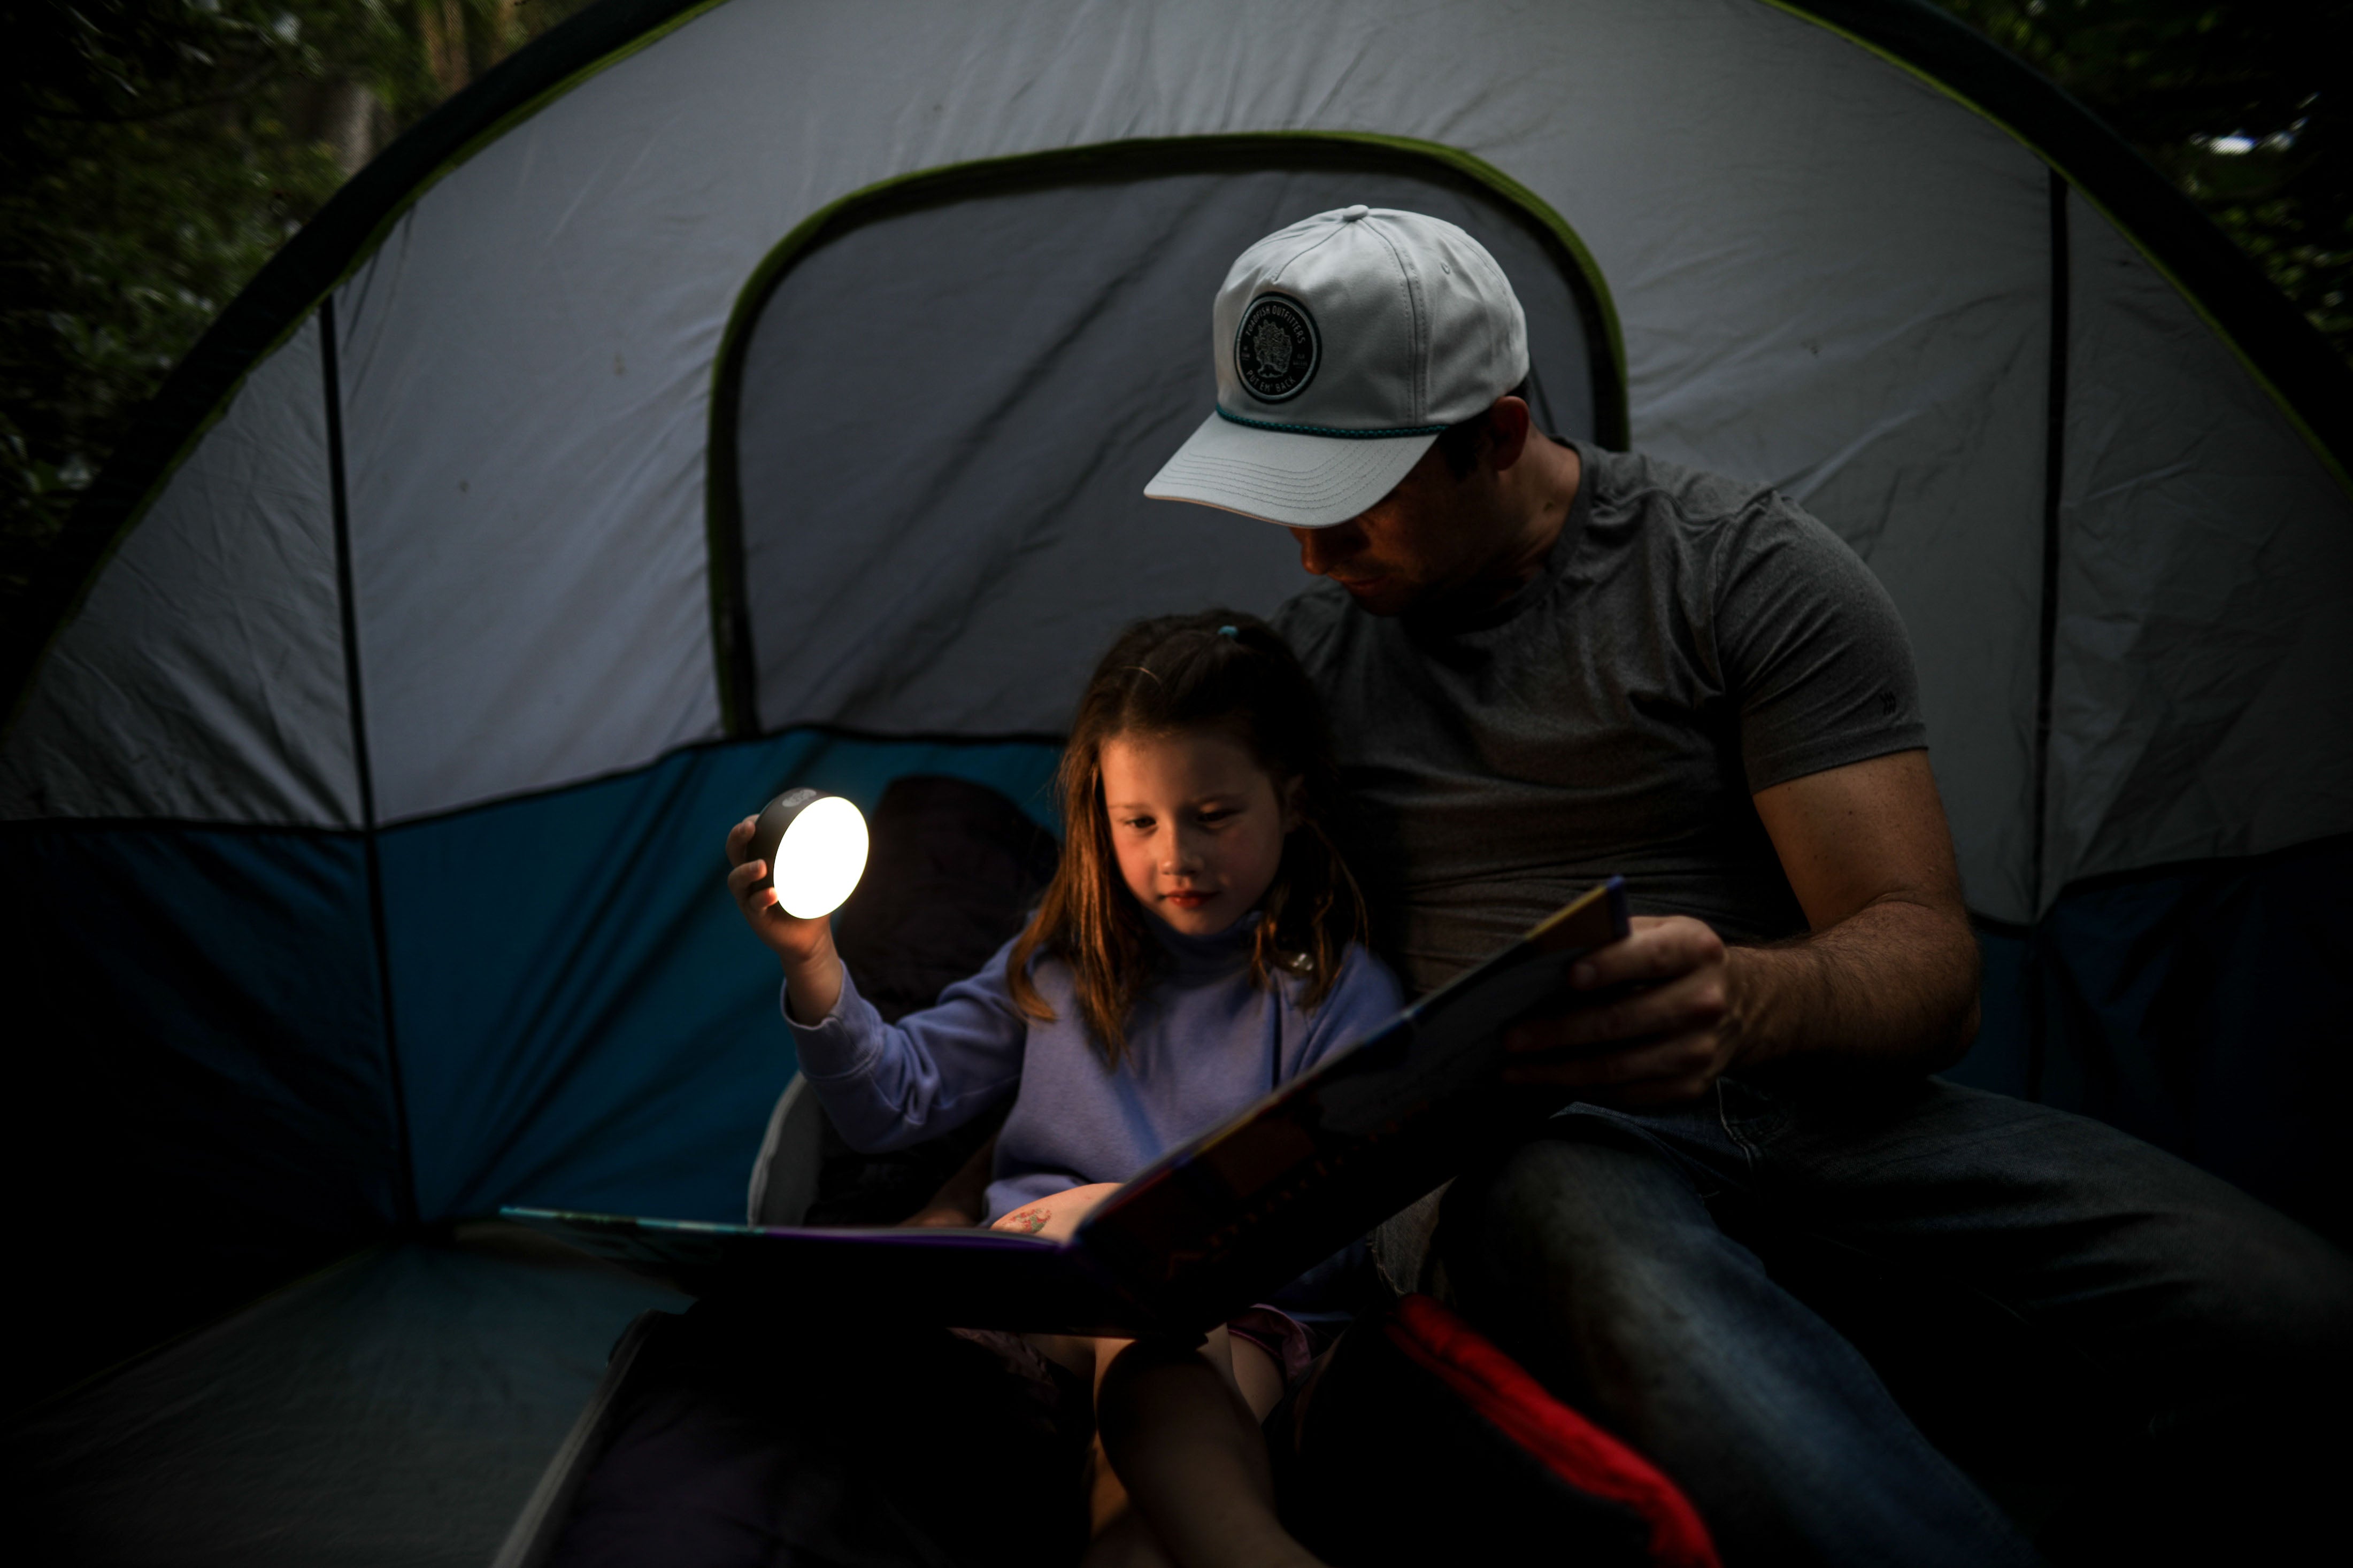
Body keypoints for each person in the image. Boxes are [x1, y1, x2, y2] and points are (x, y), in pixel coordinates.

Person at [1142, 206, 2353, 1564]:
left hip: (1822, 1109)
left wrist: (1743, 998)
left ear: (1493, 434)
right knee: (1667, 1326)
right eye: (1283, 505)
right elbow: (1127, 957)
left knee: (2289, 1314)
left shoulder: (1742, 574)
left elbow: (1928, 963)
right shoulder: (1306, 684)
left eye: (1347, 507)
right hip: (1525, 1153)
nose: (1309, 556)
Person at [726, 610, 1402, 1568]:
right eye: (1140, 822)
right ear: (1102, 816)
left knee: (1140, 1491)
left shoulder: (1337, 995)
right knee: (1122, 1298)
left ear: (1290, 802)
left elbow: (1349, 1229)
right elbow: (893, 1100)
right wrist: (814, 964)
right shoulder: (1059, 965)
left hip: (1237, 1322)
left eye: (1214, 817)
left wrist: (1148, 1231)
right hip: (1037, 1294)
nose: (1176, 855)